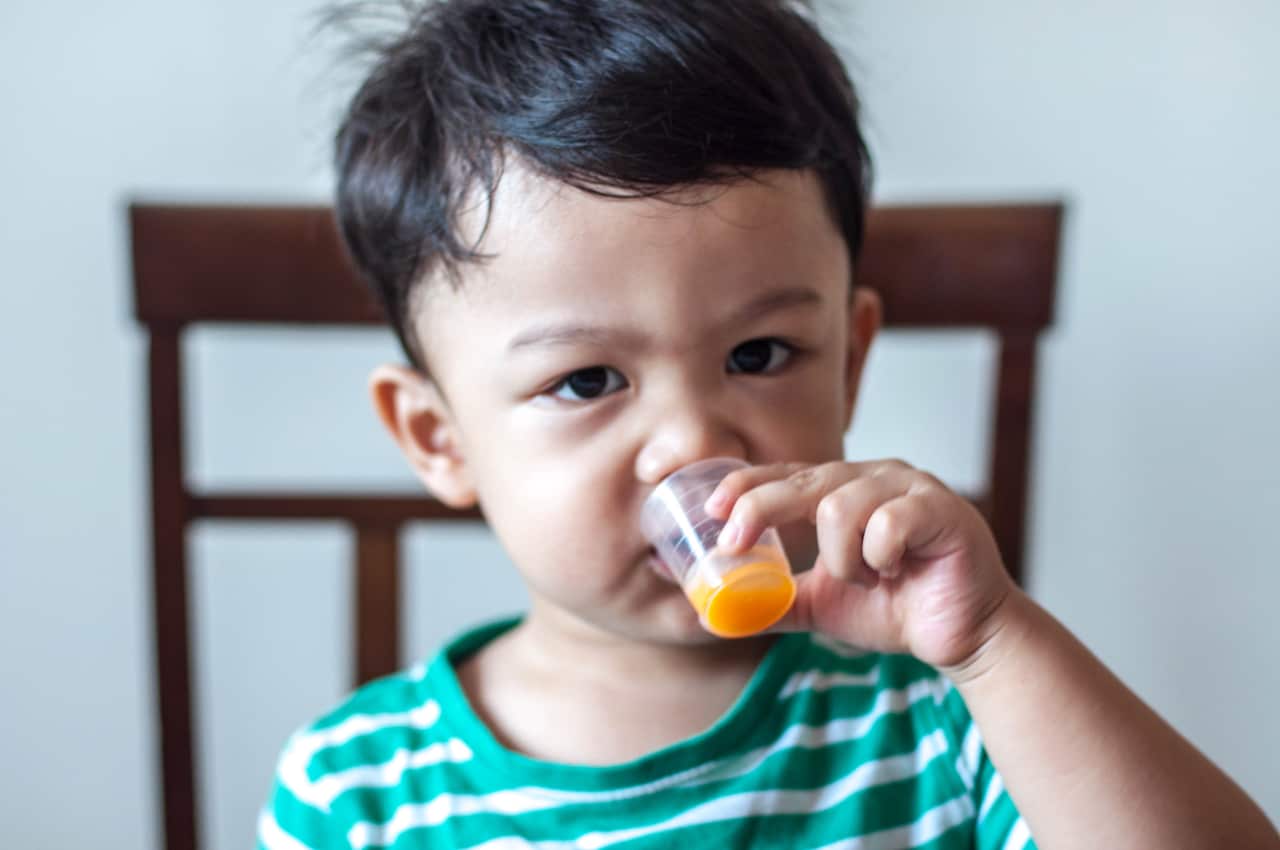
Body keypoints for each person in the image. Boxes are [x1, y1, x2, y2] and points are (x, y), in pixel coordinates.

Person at [257, 1, 1279, 847]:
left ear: (850, 360)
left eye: (756, 355)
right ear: (437, 438)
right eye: (586, 380)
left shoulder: (940, 710)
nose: (695, 443)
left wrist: (993, 643)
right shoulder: (363, 793)